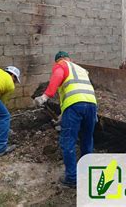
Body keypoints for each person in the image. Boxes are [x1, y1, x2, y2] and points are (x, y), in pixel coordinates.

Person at [34, 51, 97, 188]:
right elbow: (82, 91)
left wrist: (45, 96)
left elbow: (57, 76)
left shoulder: (61, 65)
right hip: (91, 105)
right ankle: (88, 173)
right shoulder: (81, 69)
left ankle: (72, 178)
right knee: (87, 139)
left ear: (58, 60)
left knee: (68, 141)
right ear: (70, 58)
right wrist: (64, 116)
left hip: (75, 105)